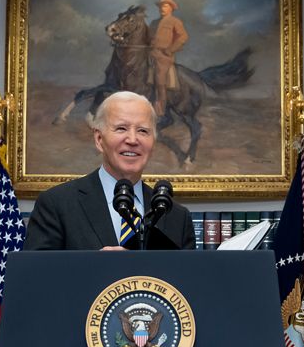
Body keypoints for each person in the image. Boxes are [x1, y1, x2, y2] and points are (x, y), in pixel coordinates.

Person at [25, 91, 195, 251]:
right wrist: (100, 268)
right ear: (99, 139)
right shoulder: (57, 204)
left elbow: (187, 281)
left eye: (143, 131)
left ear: (153, 143)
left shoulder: (177, 217)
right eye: (121, 128)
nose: (133, 140)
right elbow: (37, 277)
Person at [148, 0, 188, 116]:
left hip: (164, 56)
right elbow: (148, 38)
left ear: (171, 8)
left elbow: (183, 37)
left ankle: (160, 109)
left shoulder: (175, 21)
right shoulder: (154, 22)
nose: (162, 9)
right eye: (160, 6)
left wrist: (170, 50)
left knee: (160, 80)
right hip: (150, 53)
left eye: (165, 6)